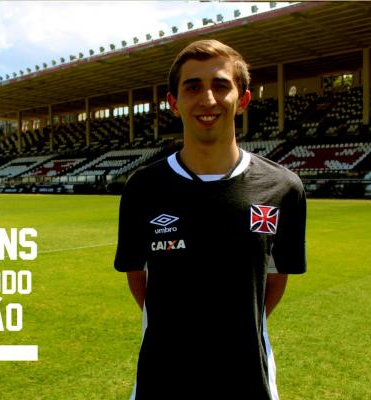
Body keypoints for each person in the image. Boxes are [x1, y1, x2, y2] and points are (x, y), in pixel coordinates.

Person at [114, 39, 306, 399]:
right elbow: (138, 279)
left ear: (243, 99)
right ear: (173, 103)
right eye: (193, 87)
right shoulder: (143, 187)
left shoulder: (283, 187)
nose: (208, 99)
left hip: (248, 379)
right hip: (162, 378)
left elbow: (275, 280)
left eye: (220, 85)